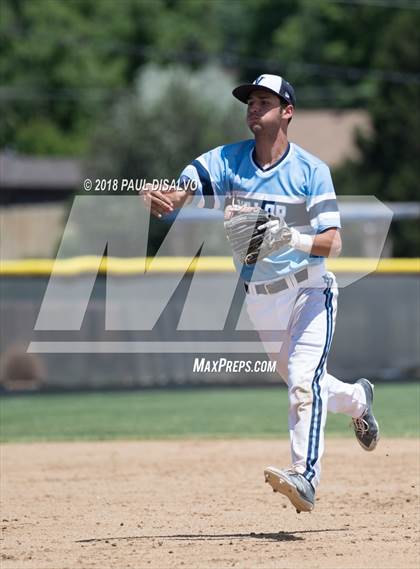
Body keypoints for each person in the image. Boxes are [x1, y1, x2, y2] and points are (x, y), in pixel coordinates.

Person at [142, 74, 379, 513]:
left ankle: (306, 477)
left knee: (304, 383)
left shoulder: (311, 171)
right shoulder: (229, 161)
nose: (254, 107)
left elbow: (334, 243)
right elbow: (189, 184)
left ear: (287, 111)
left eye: (264, 101)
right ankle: (361, 400)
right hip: (261, 297)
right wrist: (170, 199)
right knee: (304, 383)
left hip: (310, 289)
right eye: (250, 101)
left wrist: (292, 238)